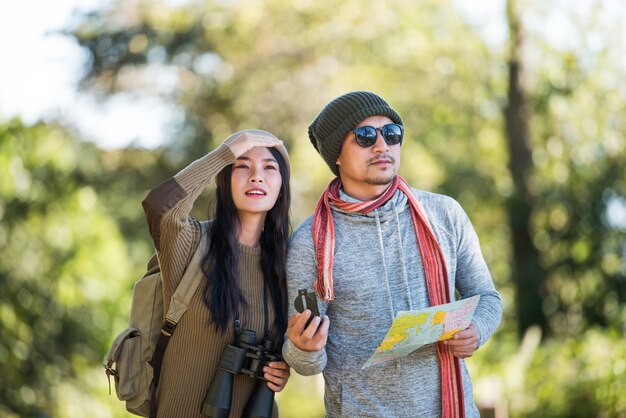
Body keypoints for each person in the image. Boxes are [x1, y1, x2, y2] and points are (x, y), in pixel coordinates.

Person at [282, 91, 502, 417]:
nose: (382, 145)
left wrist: (477, 330)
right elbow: (304, 362)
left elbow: (488, 298)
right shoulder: (311, 243)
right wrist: (304, 348)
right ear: (336, 154)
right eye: (365, 136)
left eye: (392, 134)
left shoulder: (445, 214)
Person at [142, 129, 292, 418]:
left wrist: (282, 369)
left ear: (282, 185)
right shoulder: (191, 244)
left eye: (269, 167)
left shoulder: (288, 264)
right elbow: (159, 207)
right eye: (242, 165)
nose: (256, 176)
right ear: (224, 179)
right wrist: (227, 150)